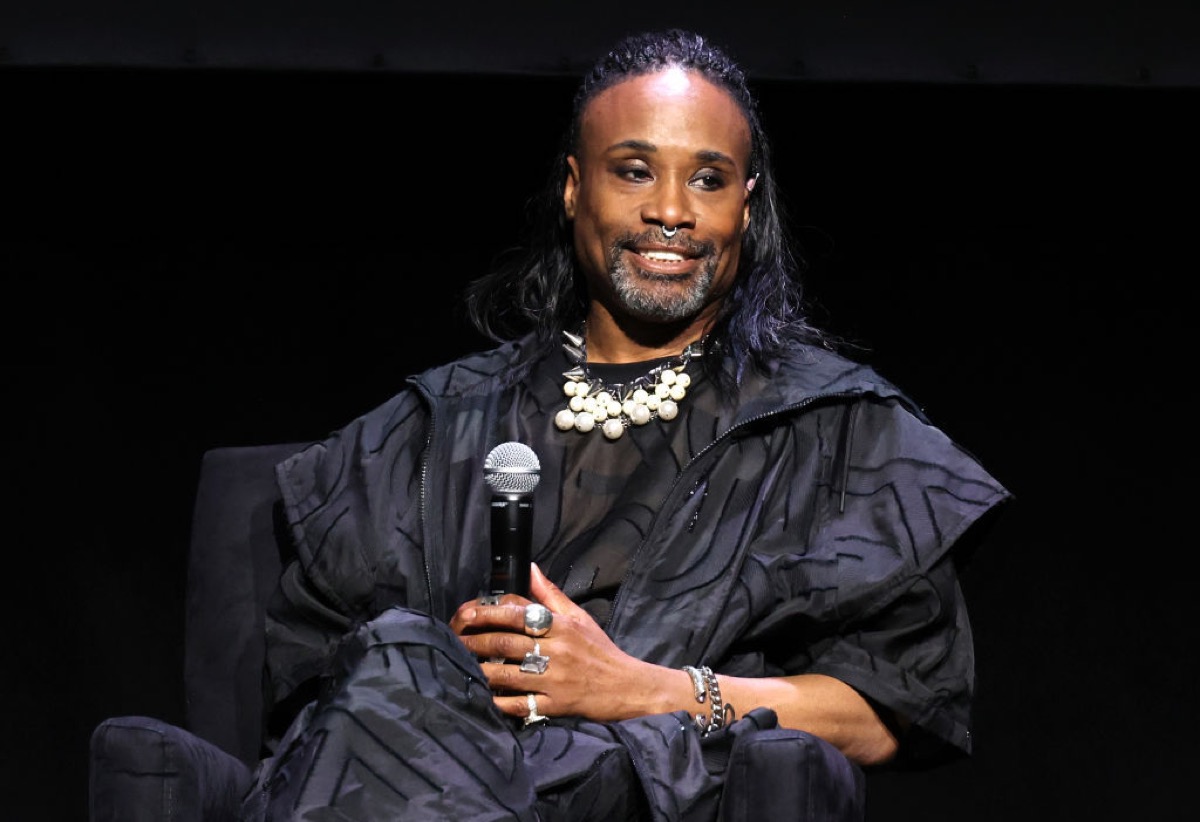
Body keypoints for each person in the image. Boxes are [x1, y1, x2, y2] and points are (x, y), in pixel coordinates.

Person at [239, 28, 1011, 822]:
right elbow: (307, 691)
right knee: (397, 656)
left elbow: (893, 712)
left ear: (745, 207)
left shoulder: (831, 430)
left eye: (707, 180)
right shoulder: (433, 427)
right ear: (576, 189)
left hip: (648, 793)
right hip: (404, 780)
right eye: (634, 171)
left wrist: (641, 690)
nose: (670, 210)